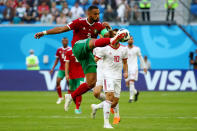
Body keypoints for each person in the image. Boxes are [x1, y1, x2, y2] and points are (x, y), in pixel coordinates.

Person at [34, 5, 126, 116]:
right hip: (78, 48)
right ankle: (114, 39)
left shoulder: (98, 25)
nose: (97, 16)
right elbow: (61, 29)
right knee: (91, 41)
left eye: (98, 14)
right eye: (95, 14)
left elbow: (106, 36)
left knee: (91, 83)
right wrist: (44, 33)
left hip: (87, 53)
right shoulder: (78, 22)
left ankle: (70, 96)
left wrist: (110, 29)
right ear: (89, 14)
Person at [91, 33, 128, 129]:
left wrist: (126, 72)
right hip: (107, 75)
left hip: (118, 76)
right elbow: (94, 60)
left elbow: (125, 62)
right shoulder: (104, 48)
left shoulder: (124, 49)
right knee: (109, 96)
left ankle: (96, 107)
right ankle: (106, 123)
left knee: (114, 102)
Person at [126, 36, 147, 103]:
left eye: (131, 39)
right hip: (126, 68)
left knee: (131, 82)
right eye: (129, 39)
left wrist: (144, 67)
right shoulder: (124, 49)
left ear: (133, 41)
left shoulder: (136, 49)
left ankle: (131, 98)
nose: (130, 40)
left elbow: (140, 58)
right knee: (128, 84)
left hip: (134, 67)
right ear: (127, 40)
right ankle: (136, 92)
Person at [50, 37, 71, 104]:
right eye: (63, 41)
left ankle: (69, 97)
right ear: (62, 42)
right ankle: (60, 97)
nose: (65, 42)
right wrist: (53, 68)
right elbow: (57, 60)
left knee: (69, 83)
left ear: (68, 42)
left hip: (69, 69)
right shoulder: (59, 49)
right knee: (57, 81)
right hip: (61, 69)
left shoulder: (70, 49)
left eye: (66, 41)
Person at [65, 49, 85, 114]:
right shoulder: (68, 52)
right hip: (71, 76)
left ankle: (77, 108)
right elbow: (67, 63)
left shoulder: (83, 51)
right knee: (73, 93)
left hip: (81, 75)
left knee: (79, 92)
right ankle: (77, 106)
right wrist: (66, 74)